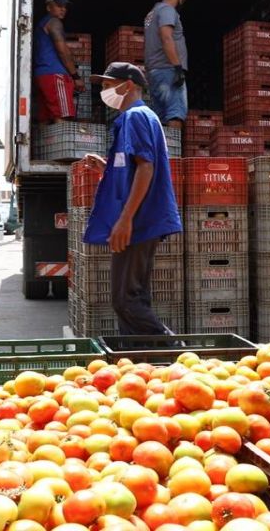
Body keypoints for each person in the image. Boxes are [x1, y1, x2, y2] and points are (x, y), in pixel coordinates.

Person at [82, 62, 183, 335]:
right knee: (133, 297)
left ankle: (176, 353)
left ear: (127, 85)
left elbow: (146, 167)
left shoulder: (135, 116)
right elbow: (134, 166)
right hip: (142, 218)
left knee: (126, 300)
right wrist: (105, 167)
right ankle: (142, 361)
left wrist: (126, 220)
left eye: (107, 85)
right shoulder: (140, 116)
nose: (104, 92)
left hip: (140, 220)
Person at [143, 0, 189, 132]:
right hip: (168, 70)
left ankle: (162, 154)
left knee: (160, 119)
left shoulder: (152, 13)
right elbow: (166, 37)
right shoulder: (167, 10)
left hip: (155, 72)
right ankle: (173, 154)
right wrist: (177, 67)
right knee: (175, 115)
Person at [34, 0, 84, 123]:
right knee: (62, 117)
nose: (63, 9)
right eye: (58, 5)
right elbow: (63, 51)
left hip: (41, 75)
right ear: (48, 7)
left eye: (64, 6)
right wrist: (75, 76)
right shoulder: (54, 22)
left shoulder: (41, 24)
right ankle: (65, 145)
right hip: (54, 74)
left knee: (45, 119)